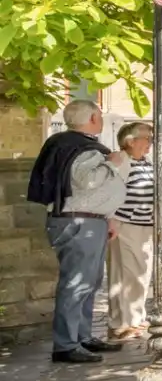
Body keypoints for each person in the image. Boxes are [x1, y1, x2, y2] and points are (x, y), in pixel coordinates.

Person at [26, 99, 129, 363]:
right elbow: (87, 181)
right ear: (93, 117)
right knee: (77, 284)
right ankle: (67, 344)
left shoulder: (68, 143)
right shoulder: (83, 148)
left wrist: (107, 217)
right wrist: (113, 163)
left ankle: (81, 337)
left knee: (88, 282)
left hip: (85, 221)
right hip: (79, 222)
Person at [108, 121, 156, 340]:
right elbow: (111, 193)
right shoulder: (121, 162)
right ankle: (130, 321)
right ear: (131, 141)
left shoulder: (145, 163)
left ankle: (124, 320)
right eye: (147, 138)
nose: (150, 143)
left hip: (143, 224)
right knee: (130, 273)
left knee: (135, 272)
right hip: (126, 224)